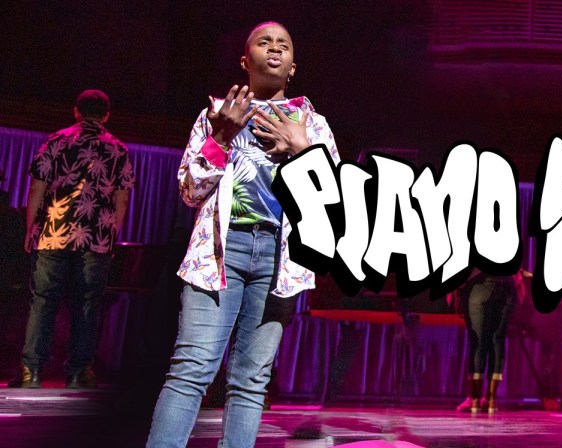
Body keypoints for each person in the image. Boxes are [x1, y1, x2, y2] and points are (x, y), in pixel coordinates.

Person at [146, 21, 339, 448]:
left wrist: (303, 151)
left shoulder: (314, 126)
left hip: (280, 260)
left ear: (292, 66)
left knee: (252, 379)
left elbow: (330, 206)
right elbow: (190, 191)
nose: (274, 48)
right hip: (220, 252)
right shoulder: (216, 115)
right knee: (192, 368)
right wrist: (220, 138)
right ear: (245, 60)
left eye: (284, 44)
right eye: (264, 42)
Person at [8, 89, 134, 389]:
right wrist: (112, 235)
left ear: (76, 111)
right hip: (96, 237)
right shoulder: (118, 149)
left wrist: (30, 228)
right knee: (87, 304)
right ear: (106, 116)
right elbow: (122, 199)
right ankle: (79, 372)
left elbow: (36, 188)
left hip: (53, 232)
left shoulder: (56, 140)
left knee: (43, 301)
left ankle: (31, 371)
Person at [456, 270, 523, 414]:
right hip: (507, 286)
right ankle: (491, 399)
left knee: (478, 342)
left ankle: (474, 399)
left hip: (480, 284)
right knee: (497, 341)